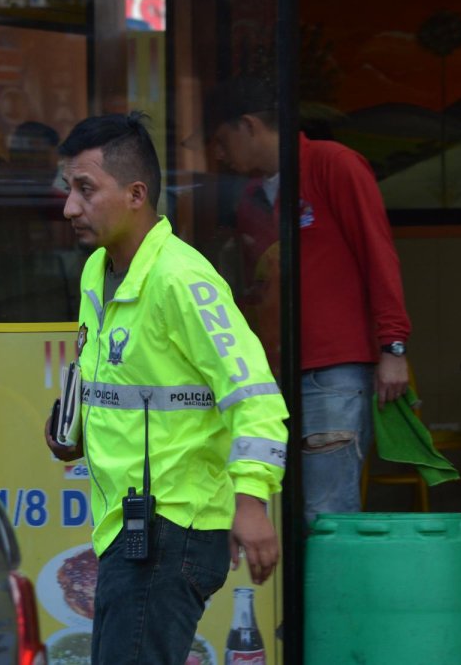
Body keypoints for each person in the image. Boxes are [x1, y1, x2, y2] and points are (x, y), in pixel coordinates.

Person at [43, 112, 288, 665]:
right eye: (68, 189)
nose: (70, 207)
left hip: (173, 526)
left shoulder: (182, 279)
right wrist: (72, 428)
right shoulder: (98, 270)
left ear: (135, 194)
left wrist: (251, 501)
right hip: (123, 528)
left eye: (86, 189)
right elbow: (114, 377)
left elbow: (255, 398)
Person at [204, 78, 411, 525]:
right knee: (275, 508)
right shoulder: (248, 199)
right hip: (268, 374)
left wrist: (393, 347)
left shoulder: (333, 164)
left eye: (222, 141)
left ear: (248, 126)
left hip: (333, 370)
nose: (218, 156)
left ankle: (335, 598)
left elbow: (379, 254)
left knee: (327, 512)